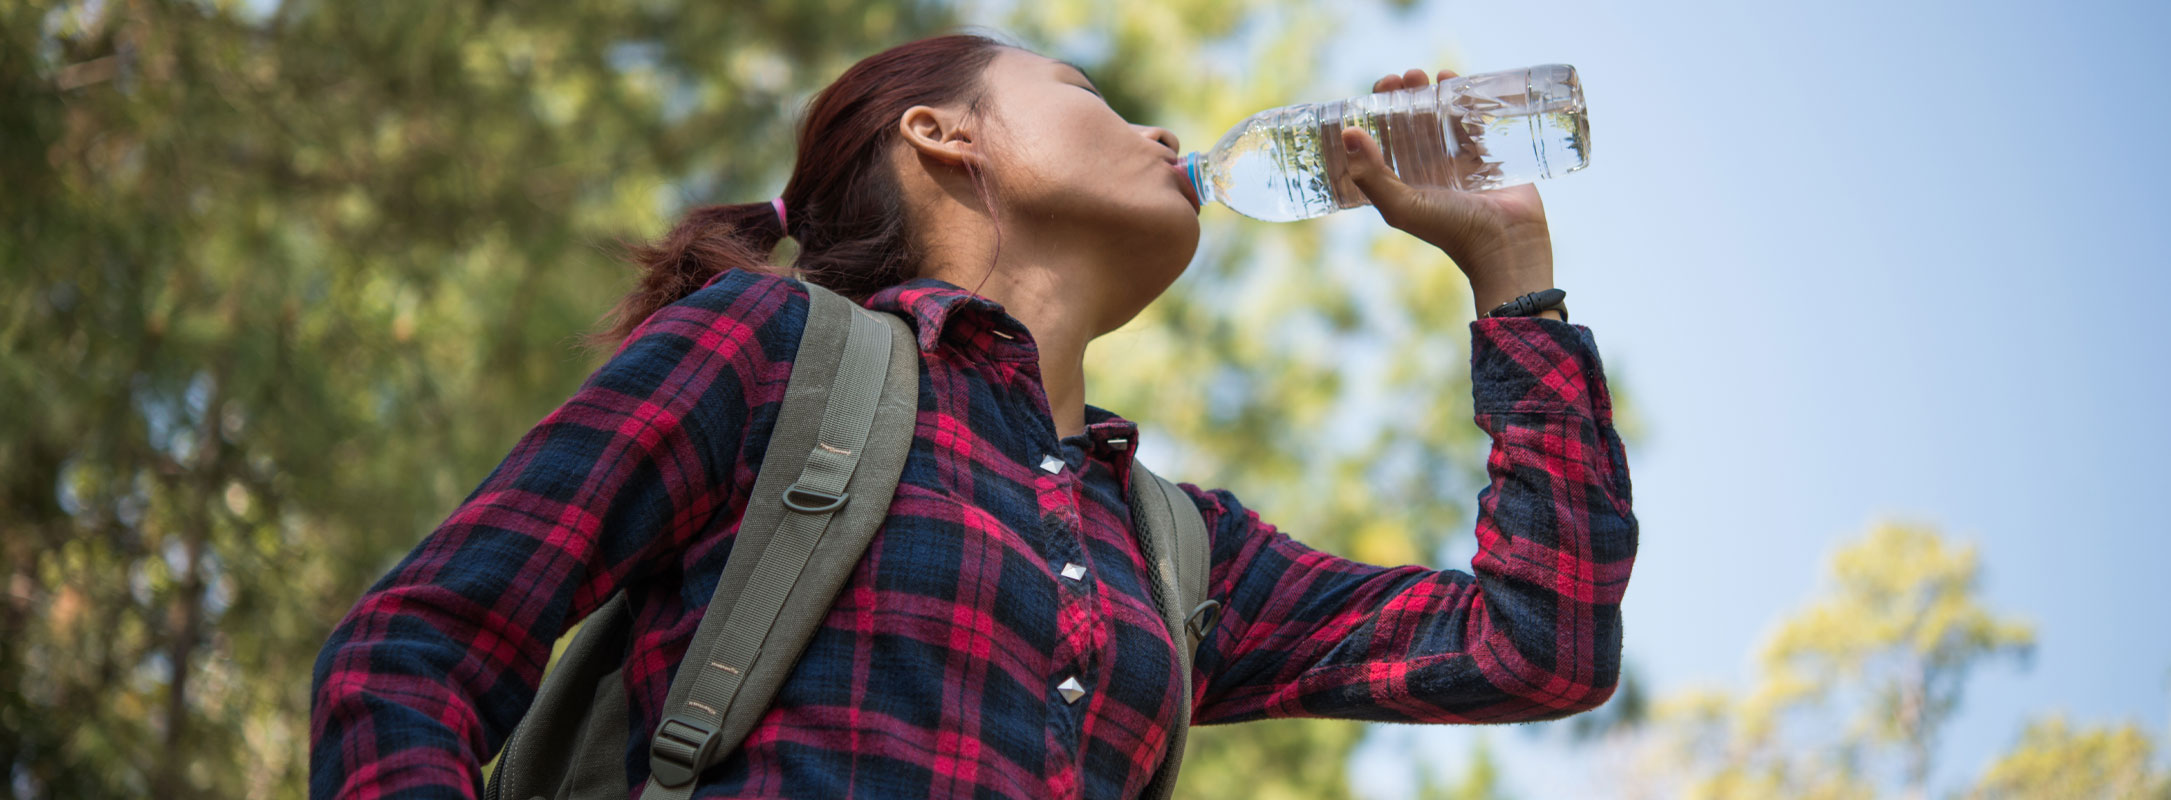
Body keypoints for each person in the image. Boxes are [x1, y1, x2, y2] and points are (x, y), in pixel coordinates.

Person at [309, 30, 1636, 800]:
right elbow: (410, 651)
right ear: (949, 136)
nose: (1160, 126)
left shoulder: (1182, 553)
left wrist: (1510, 275)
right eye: (1091, 94)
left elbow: (1538, 647)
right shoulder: (767, 351)